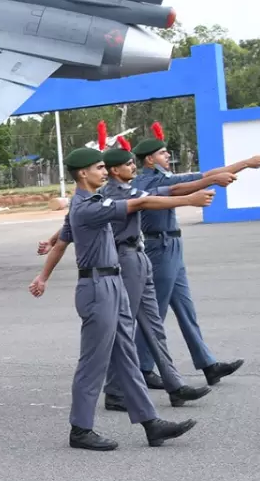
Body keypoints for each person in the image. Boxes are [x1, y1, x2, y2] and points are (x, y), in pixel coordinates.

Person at [27, 147, 207, 450]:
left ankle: (151, 424)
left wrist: (42, 276)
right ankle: (80, 429)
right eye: (99, 167)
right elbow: (143, 202)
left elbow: (61, 243)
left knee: (126, 357)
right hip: (97, 288)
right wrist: (189, 200)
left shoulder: (86, 203)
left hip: (114, 282)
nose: (104, 171)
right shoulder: (87, 207)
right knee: (93, 362)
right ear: (83, 173)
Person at [129, 131, 259, 384]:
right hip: (159, 247)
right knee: (155, 312)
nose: (167, 155)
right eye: (162, 152)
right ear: (148, 160)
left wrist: (245, 163)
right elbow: (180, 188)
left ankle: (208, 364)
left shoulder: (162, 175)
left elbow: (206, 175)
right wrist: (205, 185)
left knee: (186, 310)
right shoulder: (143, 182)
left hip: (173, 245)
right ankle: (142, 369)